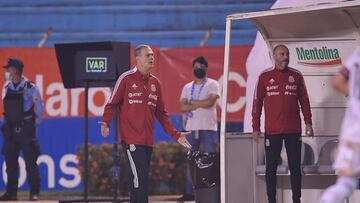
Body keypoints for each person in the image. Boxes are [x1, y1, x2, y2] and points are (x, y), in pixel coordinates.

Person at [100, 44, 191, 203]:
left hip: (148, 141)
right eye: (147, 55)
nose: (151, 58)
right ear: (137, 59)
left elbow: (162, 113)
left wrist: (175, 134)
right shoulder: (126, 78)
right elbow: (111, 103)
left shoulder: (156, 83)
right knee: (139, 177)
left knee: (140, 180)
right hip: (131, 140)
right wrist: (105, 122)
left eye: (152, 55)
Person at [252, 44, 314, 203]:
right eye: (282, 54)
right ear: (274, 56)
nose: (285, 57)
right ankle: (271, 200)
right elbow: (257, 103)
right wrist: (255, 128)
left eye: (287, 54)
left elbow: (304, 101)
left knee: (295, 168)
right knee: (270, 169)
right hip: (272, 132)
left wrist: (308, 123)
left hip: (293, 130)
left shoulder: (297, 75)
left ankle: (296, 200)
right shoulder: (264, 76)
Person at [317, 47, 360, 203]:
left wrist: (355, 97)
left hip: (352, 130)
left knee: (346, 184)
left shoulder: (357, 53)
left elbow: (337, 82)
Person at [177, 56, 220, 201]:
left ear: (206, 68)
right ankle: (190, 192)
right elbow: (182, 106)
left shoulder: (213, 84)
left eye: (201, 66)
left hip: (208, 128)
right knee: (191, 160)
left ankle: (212, 191)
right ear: (192, 69)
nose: (198, 69)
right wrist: (200, 103)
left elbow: (210, 102)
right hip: (191, 128)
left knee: (211, 159)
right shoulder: (187, 87)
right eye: (196, 66)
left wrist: (192, 102)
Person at [0, 58, 44, 201]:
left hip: (26, 128)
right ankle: (11, 193)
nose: (7, 72)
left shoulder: (31, 87)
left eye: (9, 69)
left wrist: (33, 125)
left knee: (31, 163)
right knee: (11, 162)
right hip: (11, 129)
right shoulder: (6, 87)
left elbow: (40, 109)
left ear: (16, 70)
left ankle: (34, 193)